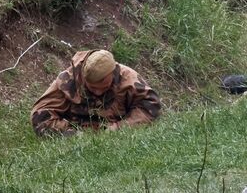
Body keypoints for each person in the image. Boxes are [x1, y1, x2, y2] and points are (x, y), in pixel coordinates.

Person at [31, 49, 161, 136]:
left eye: (103, 87)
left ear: (113, 73)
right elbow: (40, 116)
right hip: (75, 130)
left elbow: (151, 107)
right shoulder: (68, 80)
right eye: (92, 88)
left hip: (116, 127)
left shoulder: (128, 79)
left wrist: (119, 128)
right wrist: (75, 134)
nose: (98, 92)